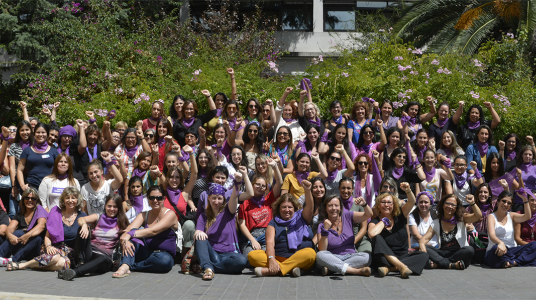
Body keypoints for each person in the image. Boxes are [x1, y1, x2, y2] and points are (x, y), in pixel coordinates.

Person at [8, 187, 87, 271]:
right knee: (56, 257)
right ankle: (22, 265)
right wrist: (49, 246)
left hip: (70, 252)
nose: (70, 200)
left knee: (62, 263)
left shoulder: (82, 215)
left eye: (73, 198)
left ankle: (30, 265)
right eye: (67, 198)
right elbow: (47, 236)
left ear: (77, 200)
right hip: (53, 247)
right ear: (63, 200)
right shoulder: (56, 213)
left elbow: (90, 225)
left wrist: (85, 225)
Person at [248, 181, 317, 277]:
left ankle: (275, 270)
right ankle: (290, 269)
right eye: (284, 207)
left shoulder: (302, 217)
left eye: (290, 207)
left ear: (295, 208)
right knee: (252, 256)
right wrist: (271, 259)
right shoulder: (273, 222)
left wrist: (308, 191)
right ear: (279, 208)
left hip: (300, 257)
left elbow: (309, 207)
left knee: (311, 253)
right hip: (278, 258)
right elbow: (270, 243)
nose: (287, 210)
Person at [57, 194, 129, 280]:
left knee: (103, 258)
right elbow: (81, 219)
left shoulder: (122, 222)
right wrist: (84, 225)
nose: (112, 209)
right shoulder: (98, 217)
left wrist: (127, 238)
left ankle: (74, 271)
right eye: (109, 206)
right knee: (82, 228)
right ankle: (79, 264)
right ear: (105, 206)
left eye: (115, 207)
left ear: (119, 208)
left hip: (105, 260)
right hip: (90, 253)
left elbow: (130, 234)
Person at [114, 185, 179, 277]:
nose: (155, 201)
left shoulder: (170, 214)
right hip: (146, 252)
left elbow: (153, 231)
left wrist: (130, 234)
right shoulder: (144, 214)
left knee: (165, 261)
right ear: (148, 198)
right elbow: (129, 229)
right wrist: (127, 239)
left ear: (164, 198)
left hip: (164, 254)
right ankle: (124, 266)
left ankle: (132, 265)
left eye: (159, 198)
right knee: (131, 241)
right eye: (152, 198)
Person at [368, 183, 429, 278]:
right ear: (379, 205)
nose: (386, 205)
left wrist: (408, 191)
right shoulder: (375, 222)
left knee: (424, 255)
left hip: (403, 256)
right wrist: (384, 221)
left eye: (389, 202)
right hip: (386, 258)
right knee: (377, 238)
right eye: (383, 202)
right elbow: (371, 234)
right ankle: (401, 267)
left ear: (394, 205)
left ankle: (389, 269)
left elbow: (411, 202)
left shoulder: (400, 216)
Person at [194, 181, 249, 280]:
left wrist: (237, 182)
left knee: (242, 261)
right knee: (199, 237)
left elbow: (234, 196)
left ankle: (210, 267)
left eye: (219, 198)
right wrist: (198, 232)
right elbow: (197, 232)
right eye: (214, 198)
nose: (216, 201)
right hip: (213, 253)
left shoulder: (229, 211)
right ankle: (207, 267)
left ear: (223, 199)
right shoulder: (203, 216)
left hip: (230, 255)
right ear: (209, 198)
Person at [419, 194, 482, 270]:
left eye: (453, 205)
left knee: (469, 250)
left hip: (458, 254)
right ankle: (451, 265)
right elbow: (424, 239)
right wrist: (422, 245)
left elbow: (478, 215)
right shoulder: (436, 222)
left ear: (456, 207)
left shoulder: (462, 219)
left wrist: (472, 203)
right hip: (442, 254)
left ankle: (439, 264)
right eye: (448, 203)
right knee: (425, 247)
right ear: (442, 204)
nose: (450, 207)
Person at [315, 194, 373, 276]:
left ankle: (333, 268)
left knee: (367, 257)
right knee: (320, 255)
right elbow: (322, 250)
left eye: (336, 205)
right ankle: (356, 271)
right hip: (332, 257)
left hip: (351, 256)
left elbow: (369, 214)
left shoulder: (348, 216)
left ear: (340, 207)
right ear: (325, 208)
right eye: (330, 206)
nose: (334, 208)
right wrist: (325, 230)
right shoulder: (322, 225)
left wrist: (364, 204)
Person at [238, 157, 283, 257]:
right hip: (251, 237)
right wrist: (253, 240)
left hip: (267, 235)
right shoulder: (245, 201)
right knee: (251, 256)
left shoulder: (269, 199)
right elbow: (242, 224)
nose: (260, 187)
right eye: (257, 184)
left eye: (263, 186)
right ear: (252, 185)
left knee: (268, 255)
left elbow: (280, 182)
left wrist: (275, 166)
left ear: (266, 188)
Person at [484, 190, 536, 268]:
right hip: (497, 250)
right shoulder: (491, 217)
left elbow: (527, 216)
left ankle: (513, 262)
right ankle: (516, 261)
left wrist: (525, 200)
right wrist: (500, 243)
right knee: (495, 249)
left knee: (534, 244)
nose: (506, 204)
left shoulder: (511, 216)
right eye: (504, 201)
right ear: (498, 201)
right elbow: (492, 235)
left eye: (509, 203)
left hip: (512, 250)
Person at [162, 146, 197, 257]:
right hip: (166, 229)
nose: (174, 180)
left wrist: (191, 153)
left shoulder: (184, 193)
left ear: (181, 179)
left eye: (177, 177)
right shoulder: (161, 193)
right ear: (167, 179)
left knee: (190, 224)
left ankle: (185, 255)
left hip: (181, 228)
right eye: (171, 177)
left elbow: (194, 173)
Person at [0, 188, 47, 267]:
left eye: (33, 198)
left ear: (37, 201)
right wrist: (9, 235)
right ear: (23, 200)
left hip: (35, 249)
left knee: (37, 238)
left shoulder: (40, 210)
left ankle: (13, 260)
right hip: (21, 247)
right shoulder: (20, 214)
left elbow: (41, 226)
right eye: (27, 198)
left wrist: (28, 235)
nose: (30, 200)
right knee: (17, 233)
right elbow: (10, 228)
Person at [17, 123, 59, 192]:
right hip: (32, 188)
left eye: (43, 132)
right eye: (38, 132)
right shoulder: (27, 150)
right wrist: (22, 185)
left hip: (49, 187)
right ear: (34, 134)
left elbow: (59, 169)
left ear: (47, 134)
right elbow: (19, 170)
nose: (40, 135)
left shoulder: (54, 151)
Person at [8, 120, 32, 216]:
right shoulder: (14, 146)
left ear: (31, 130)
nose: (25, 132)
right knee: (14, 212)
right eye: (22, 130)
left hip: (31, 181)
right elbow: (12, 167)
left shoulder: (35, 145)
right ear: (18, 132)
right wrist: (14, 186)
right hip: (17, 181)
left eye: (27, 130)